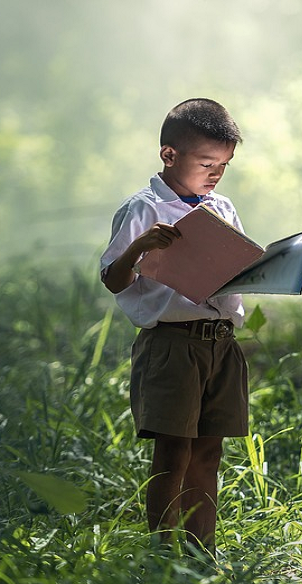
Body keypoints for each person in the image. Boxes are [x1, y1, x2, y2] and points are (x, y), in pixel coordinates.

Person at [100, 98, 248, 557]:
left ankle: (202, 549)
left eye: (223, 165)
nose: (216, 174)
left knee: (209, 452)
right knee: (173, 454)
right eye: (207, 163)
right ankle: (164, 552)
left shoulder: (221, 207)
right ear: (169, 155)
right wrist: (139, 249)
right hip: (172, 344)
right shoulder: (142, 209)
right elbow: (112, 278)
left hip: (220, 343)